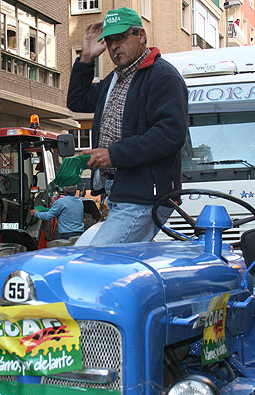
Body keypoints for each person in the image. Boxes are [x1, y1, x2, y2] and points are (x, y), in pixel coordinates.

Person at [67, 7, 188, 245]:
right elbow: (77, 101)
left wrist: (112, 154)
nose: (113, 47)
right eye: (109, 41)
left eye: (121, 38)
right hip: (122, 192)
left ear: (141, 36)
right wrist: (86, 58)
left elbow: (171, 134)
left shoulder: (163, 76)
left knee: (99, 259)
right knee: (107, 260)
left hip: (145, 196)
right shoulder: (115, 78)